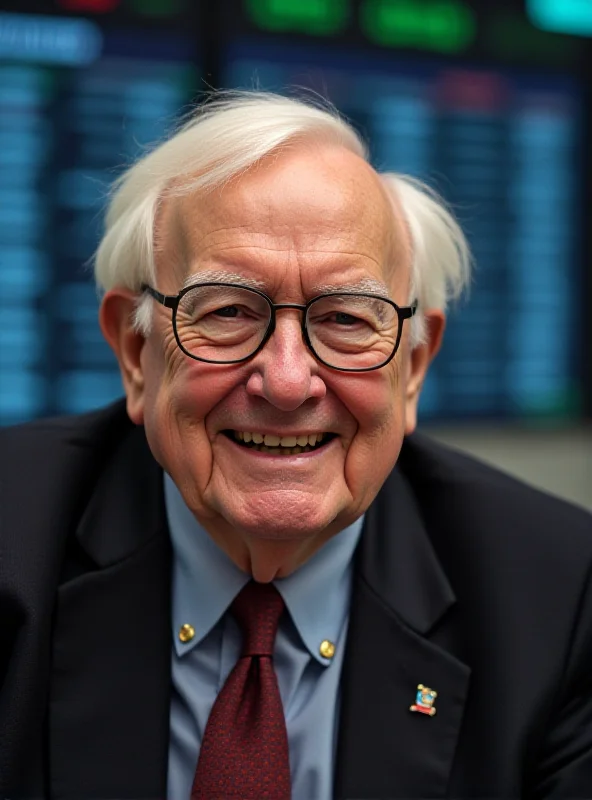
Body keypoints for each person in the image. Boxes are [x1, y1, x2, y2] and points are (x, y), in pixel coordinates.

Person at [1, 92, 591, 800]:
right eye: (226, 312)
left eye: (345, 318)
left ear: (413, 367)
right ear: (136, 351)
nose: (286, 381)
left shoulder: (560, 597)